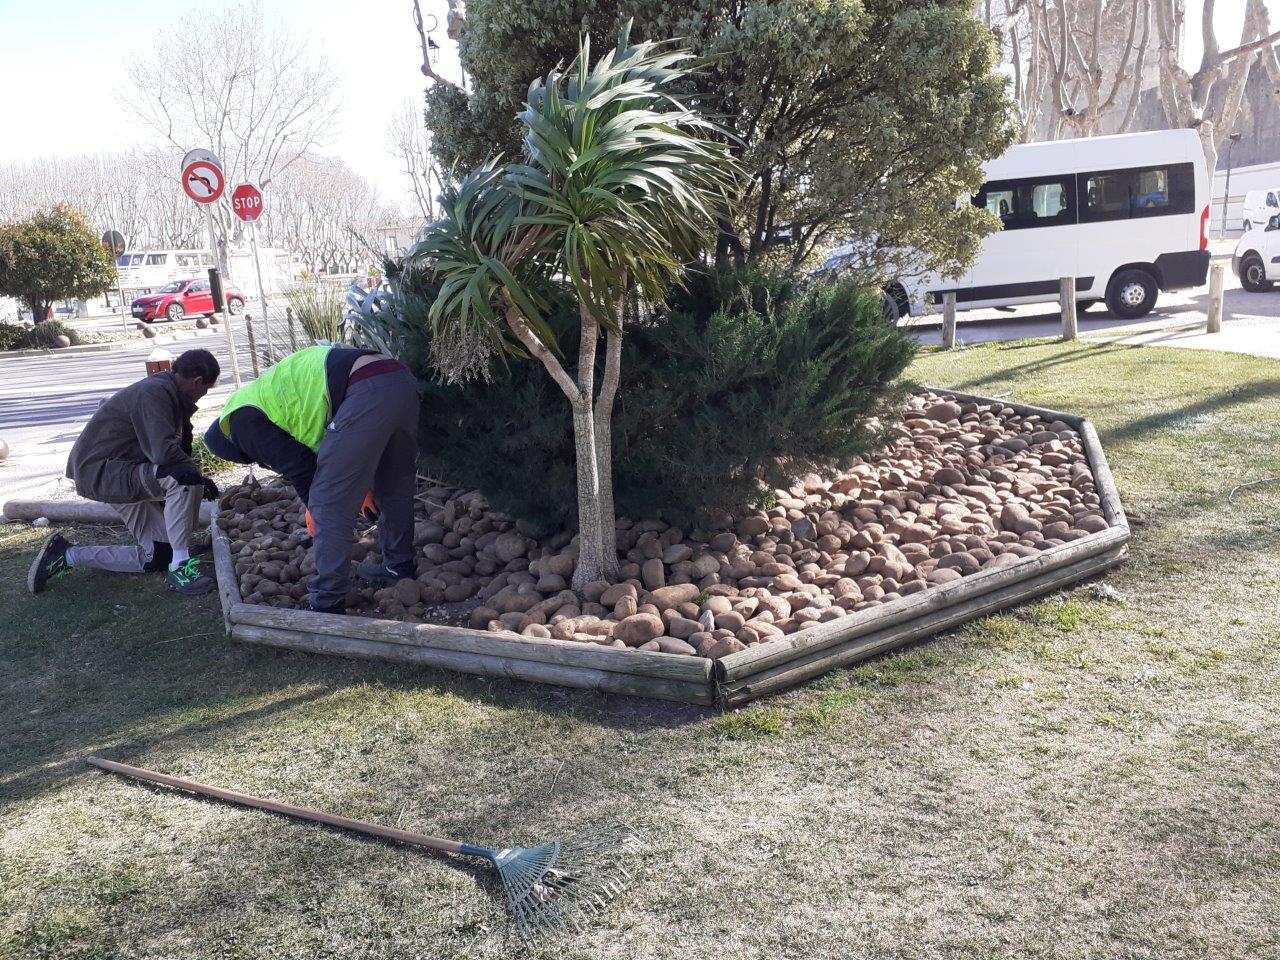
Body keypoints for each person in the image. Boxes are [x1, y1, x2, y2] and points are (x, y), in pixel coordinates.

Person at [202, 344, 419, 614]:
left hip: (365, 390)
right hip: (398, 378)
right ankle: (398, 567)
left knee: (329, 503)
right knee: (393, 485)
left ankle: (326, 603)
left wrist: (314, 509)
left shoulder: (240, 423)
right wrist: (361, 487)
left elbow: (303, 470)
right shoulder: (260, 399)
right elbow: (334, 456)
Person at [28, 348, 222, 596]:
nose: (202, 396)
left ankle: (66, 555)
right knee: (183, 480)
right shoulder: (155, 392)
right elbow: (162, 454)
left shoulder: (170, 394)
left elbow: (171, 452)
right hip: (104, 472)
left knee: (159, 556)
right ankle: (182, 570)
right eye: (205, 389)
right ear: (197, 381)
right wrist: (195, 475)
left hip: (121, 471)